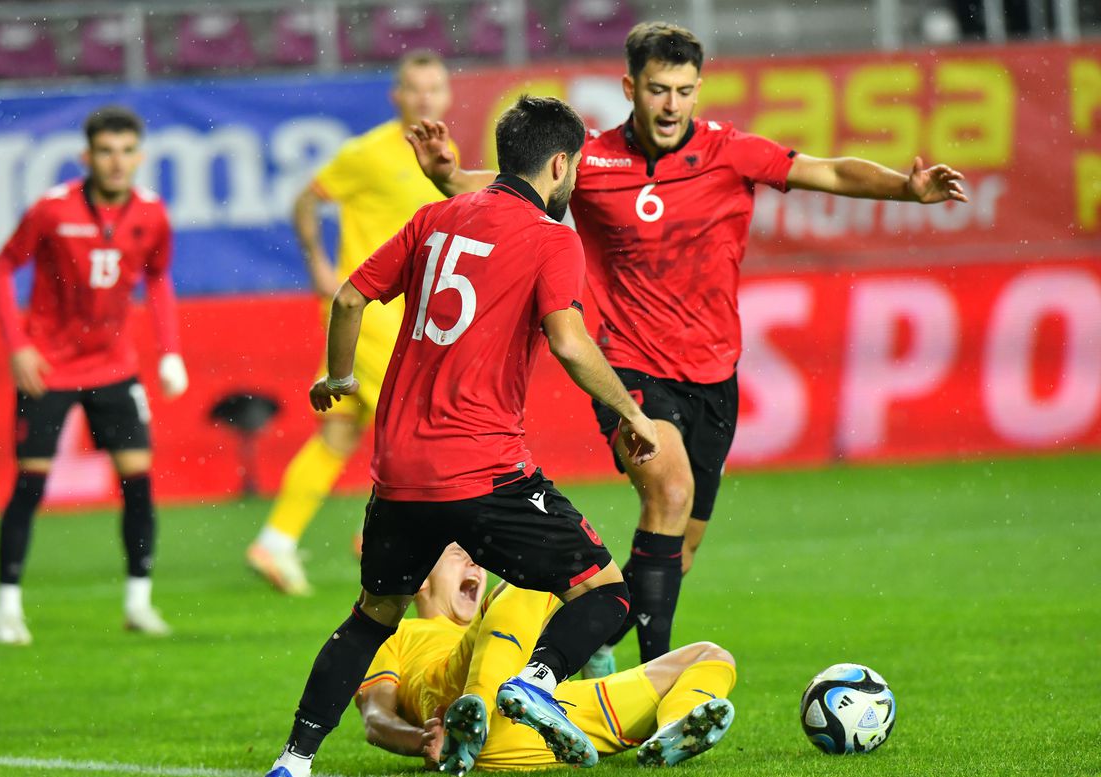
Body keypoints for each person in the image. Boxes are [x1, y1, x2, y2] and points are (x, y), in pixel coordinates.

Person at [407, 21, 968, 674]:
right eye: (657, 89)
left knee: (680, 547)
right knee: (668, 491)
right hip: (630, 371)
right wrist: (450, 178)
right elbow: (514, 187)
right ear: (630, 87)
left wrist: (907, 188)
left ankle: (579, 642)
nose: (671, 105)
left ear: (699, 90)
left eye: (684, 90)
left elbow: (827, 169)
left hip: (714, 379)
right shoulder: (593, 162)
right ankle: (654, 683)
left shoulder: (732, 153)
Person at [257, 95, 661, 777]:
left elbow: (350, 298)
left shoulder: (433, 218)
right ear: (560, 164)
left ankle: (293, 761)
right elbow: (568, 341)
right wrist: (629, 409)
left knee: (369, 619)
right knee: (605, 593)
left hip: (400, 476)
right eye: (574, 172)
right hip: (485, 469)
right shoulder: (549, 237)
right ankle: (537, 682)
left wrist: (342, 376)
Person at [245, 50, 455, 595]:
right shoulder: (367, 153)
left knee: (339, 435)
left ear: (447, 95)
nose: (426, 98)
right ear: (397, 95)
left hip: (406, 314)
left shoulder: (443, 151)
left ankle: (276, 541)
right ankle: (385, 530)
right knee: (422, 423)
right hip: (370, 315)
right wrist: (316, 261)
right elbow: (304, 201)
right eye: (416, 88)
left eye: (435, 88)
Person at [0, 105, 188, 645]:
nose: (117, 162)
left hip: (114, 367)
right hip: (48, 368)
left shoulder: (152, 213)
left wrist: (169, 352)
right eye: (106, 151)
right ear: (86, 157)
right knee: (30, 485)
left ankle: (139, 602)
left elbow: (159, 277)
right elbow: (2, 267)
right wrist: (19, 346)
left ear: (139, 156)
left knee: (139, 483)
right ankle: (7, 607)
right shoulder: (53, 210)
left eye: (126, 151)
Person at [355, 544, 737, 774]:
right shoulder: (398, 633)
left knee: (710, 656)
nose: (474, 566)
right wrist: (421, 739)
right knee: (535, 574)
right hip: (455, 696)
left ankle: (670, 733)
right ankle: (475, 711)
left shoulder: (509, 617)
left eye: (476, 560)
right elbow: (375, 717)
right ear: (420, 579)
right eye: (459, 557)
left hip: (543, 721)